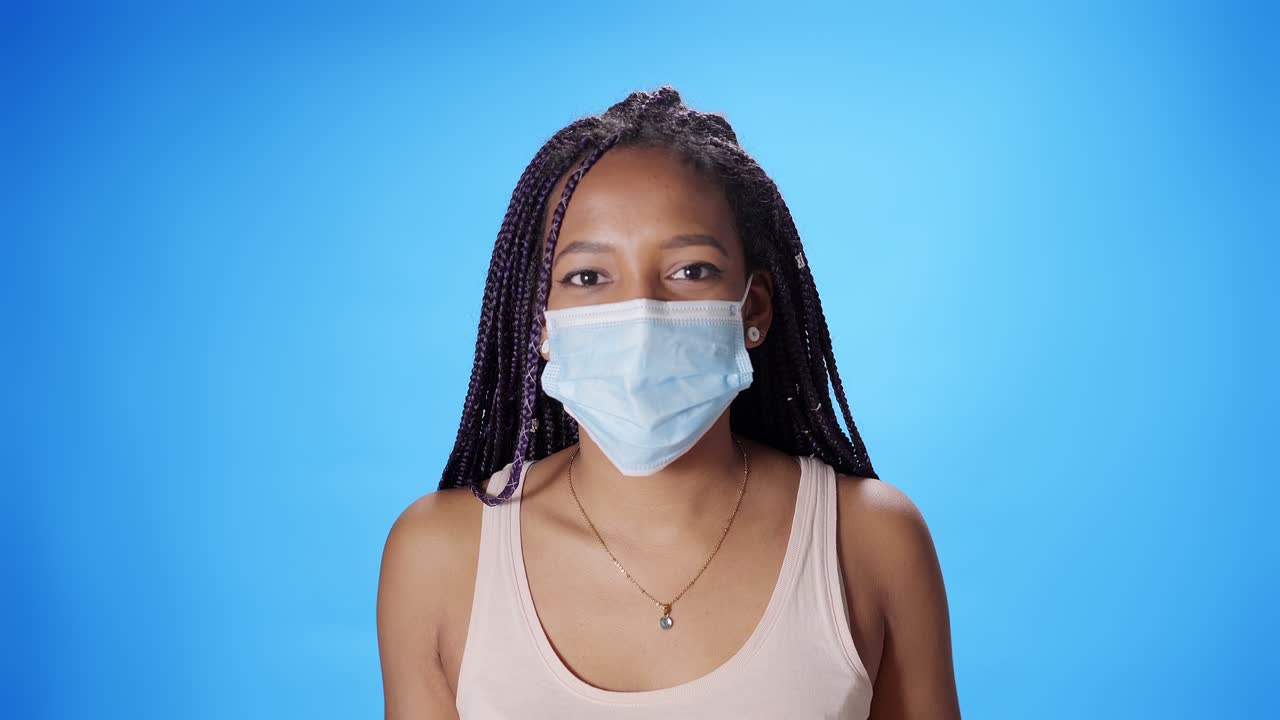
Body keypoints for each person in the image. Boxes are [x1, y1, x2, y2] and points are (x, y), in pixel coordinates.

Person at [377, 86, 961, 719]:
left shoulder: (871, 539)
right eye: (588, 277)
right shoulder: (438, 555)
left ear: (753, 308)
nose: (643, 313)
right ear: (539, 322)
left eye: (690, 271)